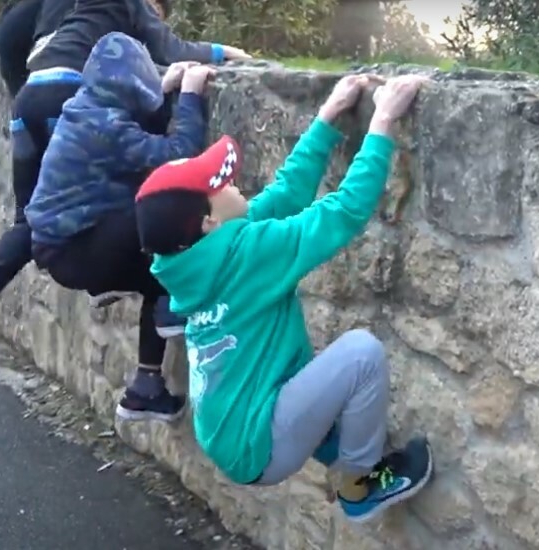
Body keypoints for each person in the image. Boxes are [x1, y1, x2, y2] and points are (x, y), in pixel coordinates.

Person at [132, 74, 436, 523]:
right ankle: (359, 486)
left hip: (227, 427)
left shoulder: (194, 260)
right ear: (210, 222)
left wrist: (328, 117)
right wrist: (384, 120)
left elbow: (287, 195)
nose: (235, 182)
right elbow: (344, 211)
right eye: (222, 183)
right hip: (260, 444)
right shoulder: (248, 253)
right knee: (361, 355)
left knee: (307, 377)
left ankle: (332, 442)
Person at [0, 0, 252, 350]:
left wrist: (19, 90)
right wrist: (221, 51)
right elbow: (169, 49)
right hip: (70, 89)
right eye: (157, 14)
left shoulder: (78, 10)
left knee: (34, 213)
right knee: (135, 189)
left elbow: (9, 36)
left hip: (29, 96)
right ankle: (122, 279)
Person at [25, 32, 213, 421]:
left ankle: (146, 388)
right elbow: (178, 157)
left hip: (64, 244)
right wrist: (191, 96)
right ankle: (169, 307)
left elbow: (133, 129)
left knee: (153, 277)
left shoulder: (84, 107)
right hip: (78, 248)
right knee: (166, 219)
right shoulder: (107, 125)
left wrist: (162, 88)